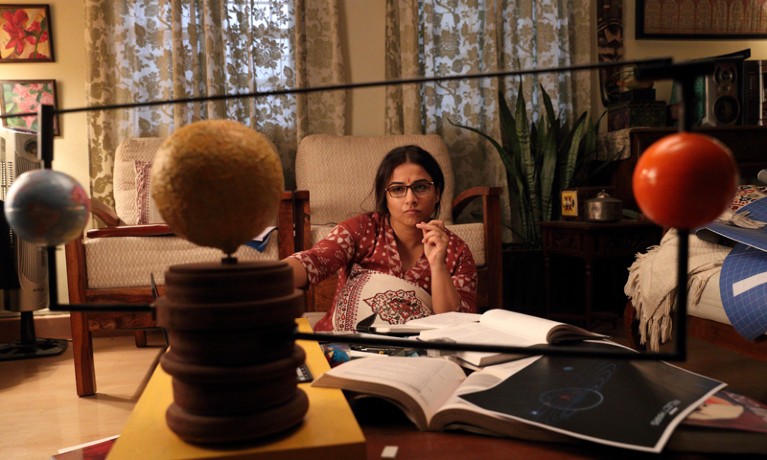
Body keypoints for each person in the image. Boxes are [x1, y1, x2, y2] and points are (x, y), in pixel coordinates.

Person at [284, 144, 477, 331]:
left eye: (420, 187)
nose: (410, 199)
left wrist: (438, 264)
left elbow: (454, 324)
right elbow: (315, 260)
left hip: (415, 357)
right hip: (344, 347)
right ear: (385, 197)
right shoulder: (361, 230)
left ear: (437, 194)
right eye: (397, 189)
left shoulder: (456, 250)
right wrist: (265, 280)